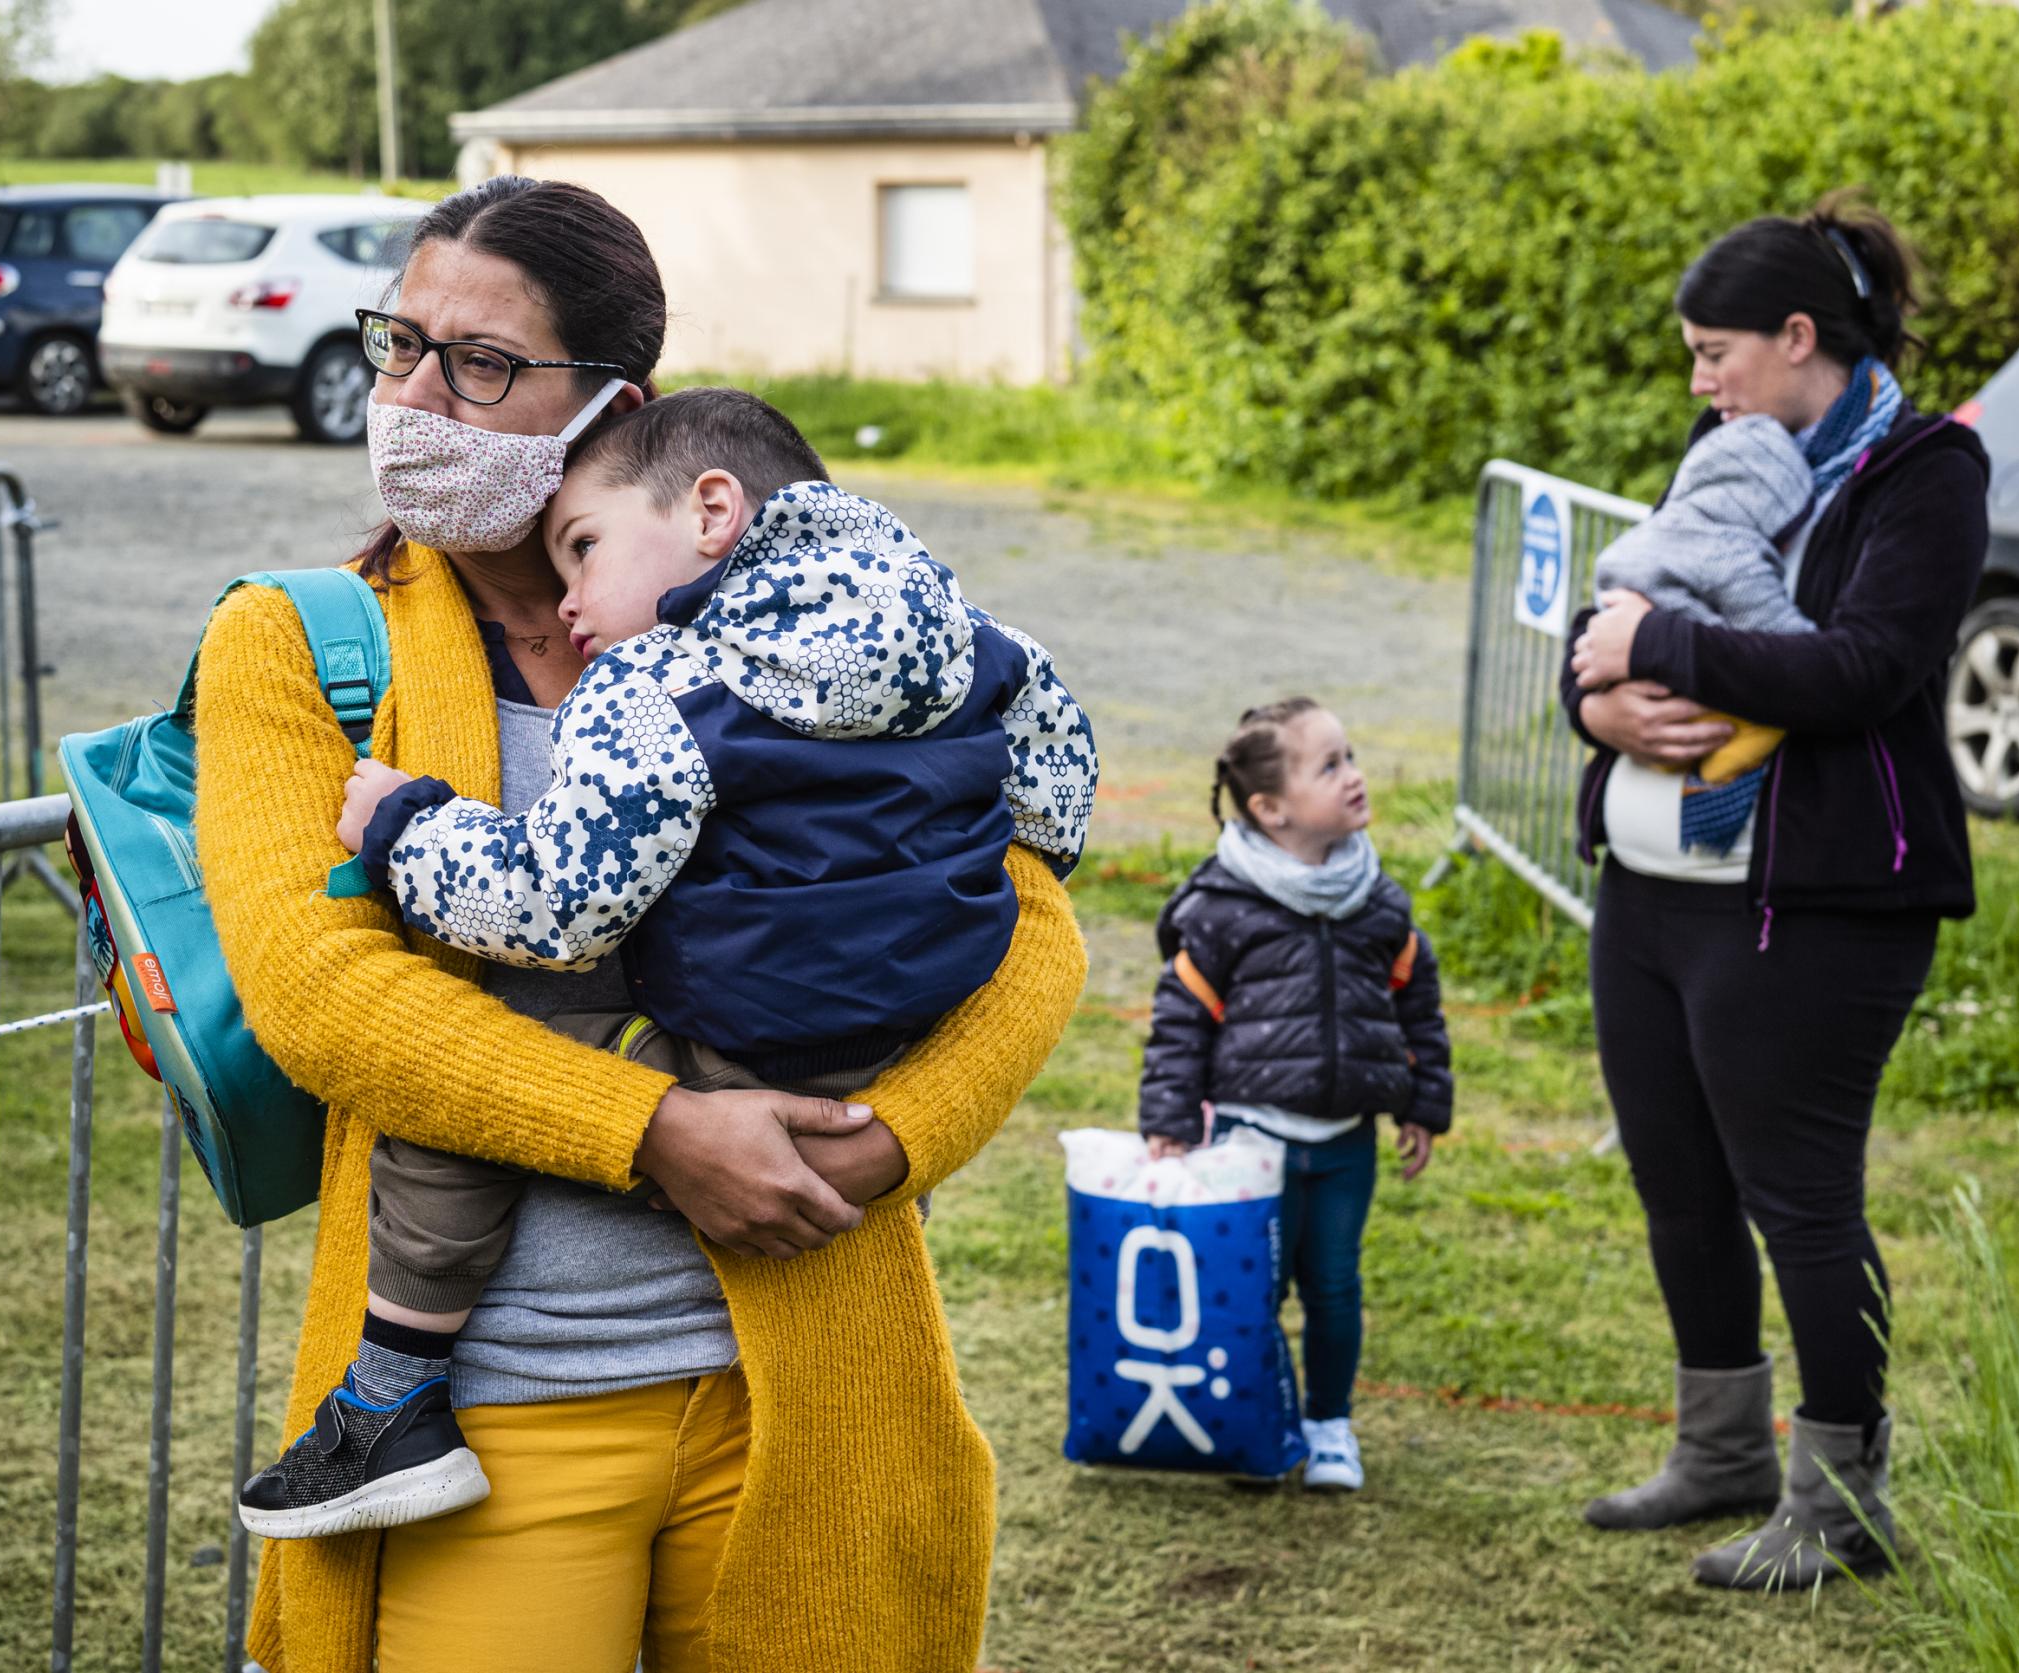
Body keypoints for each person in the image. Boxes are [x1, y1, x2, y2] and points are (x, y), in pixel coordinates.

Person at [192, 176, 1089, 1673]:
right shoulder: (298, 644)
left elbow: (1035, 914)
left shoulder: (800, 615)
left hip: (809, 1380)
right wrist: (658, 1129)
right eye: (398, 343)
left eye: (479, 361)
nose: (418, 395)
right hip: (489, 1413)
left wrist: (897, 1137)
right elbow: (321, 994)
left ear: (616, 402)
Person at [1559, 193, 1989, 1592]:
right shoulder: (1730, 451)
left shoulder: (1926, 472)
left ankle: (1843, 1502)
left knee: (1796, 1196)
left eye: (1713, 352)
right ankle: (1724, 1449)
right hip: (1654, 884)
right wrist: (1604, 703)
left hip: (1816, 900)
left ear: (1798, 336)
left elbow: (1864, 668)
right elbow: (1616, 621)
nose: (1698, 384)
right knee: (1678, 1183)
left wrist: (1653, 641)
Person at [1135, 697, 1453, 1492]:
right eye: (1331, 765)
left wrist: (1422, 1100)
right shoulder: (1221, 906)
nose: (1355, 775)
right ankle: (1260, 1419)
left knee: (1335, 1285)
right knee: (1254, 1289)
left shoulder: (1378, 898)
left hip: (1346, 1142)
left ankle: (1330, 1422)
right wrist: (1170, 1120)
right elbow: (1181, 1020)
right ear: (1269, 809)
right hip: (1251, 1142)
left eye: (1351, 756)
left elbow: (1417, 999)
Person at [1582, 410, 1829, 842]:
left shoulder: (1663, 527)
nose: (1700, 383)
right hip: (1681, 705)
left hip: (1628, 683)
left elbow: (1594, 624)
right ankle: (1717, 785)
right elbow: (1783, 637)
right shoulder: (1731, 552)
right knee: (1762, 727)